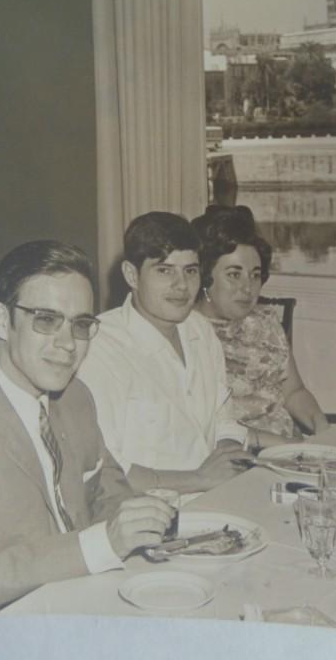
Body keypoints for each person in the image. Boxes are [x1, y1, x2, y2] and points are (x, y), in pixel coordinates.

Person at [0, 240, 174, 615]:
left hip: (84, 596)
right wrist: (102, 544)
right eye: (45, 320)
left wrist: (140, 523)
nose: (67, 344)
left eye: (80, 325)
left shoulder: (75, 397)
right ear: (1, 321)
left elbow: (109, 488)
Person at [78, 212, 252, 495]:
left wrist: (228, 452)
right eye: (164, 270)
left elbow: (224, 418)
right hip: (146, 513)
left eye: (190, 271)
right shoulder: (98, 349)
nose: (181, 285)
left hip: (217, 498)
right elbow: (104, 472)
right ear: (131, 275)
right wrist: (199, 479)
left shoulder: (201, 331)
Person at [191, 205, 329, 438]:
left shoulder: (266, 324)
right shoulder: (186, 333)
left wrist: (321, 426)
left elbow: (294, 392)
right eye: (234, 275)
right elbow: (203, 426)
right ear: (205, 276)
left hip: (287, 452)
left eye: (255, 274)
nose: (248, 287)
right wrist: (280, 446)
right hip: (234, 458)